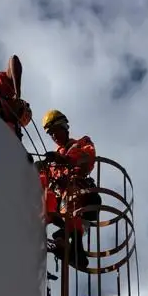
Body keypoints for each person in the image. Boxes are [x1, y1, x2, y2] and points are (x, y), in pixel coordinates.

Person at [37, 109, 100, 271]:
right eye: (50, 133)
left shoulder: (81, 143)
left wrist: (64, 159)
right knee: (47, 197)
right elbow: (46, 180)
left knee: (71, 198)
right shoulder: (53, 161)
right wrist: (38, 169)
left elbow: (87, 158)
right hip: (62, 203)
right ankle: (63, 241)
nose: (53, 136)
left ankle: (77, 250)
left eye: (55, 131)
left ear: (64, 127)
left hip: (81, 194)